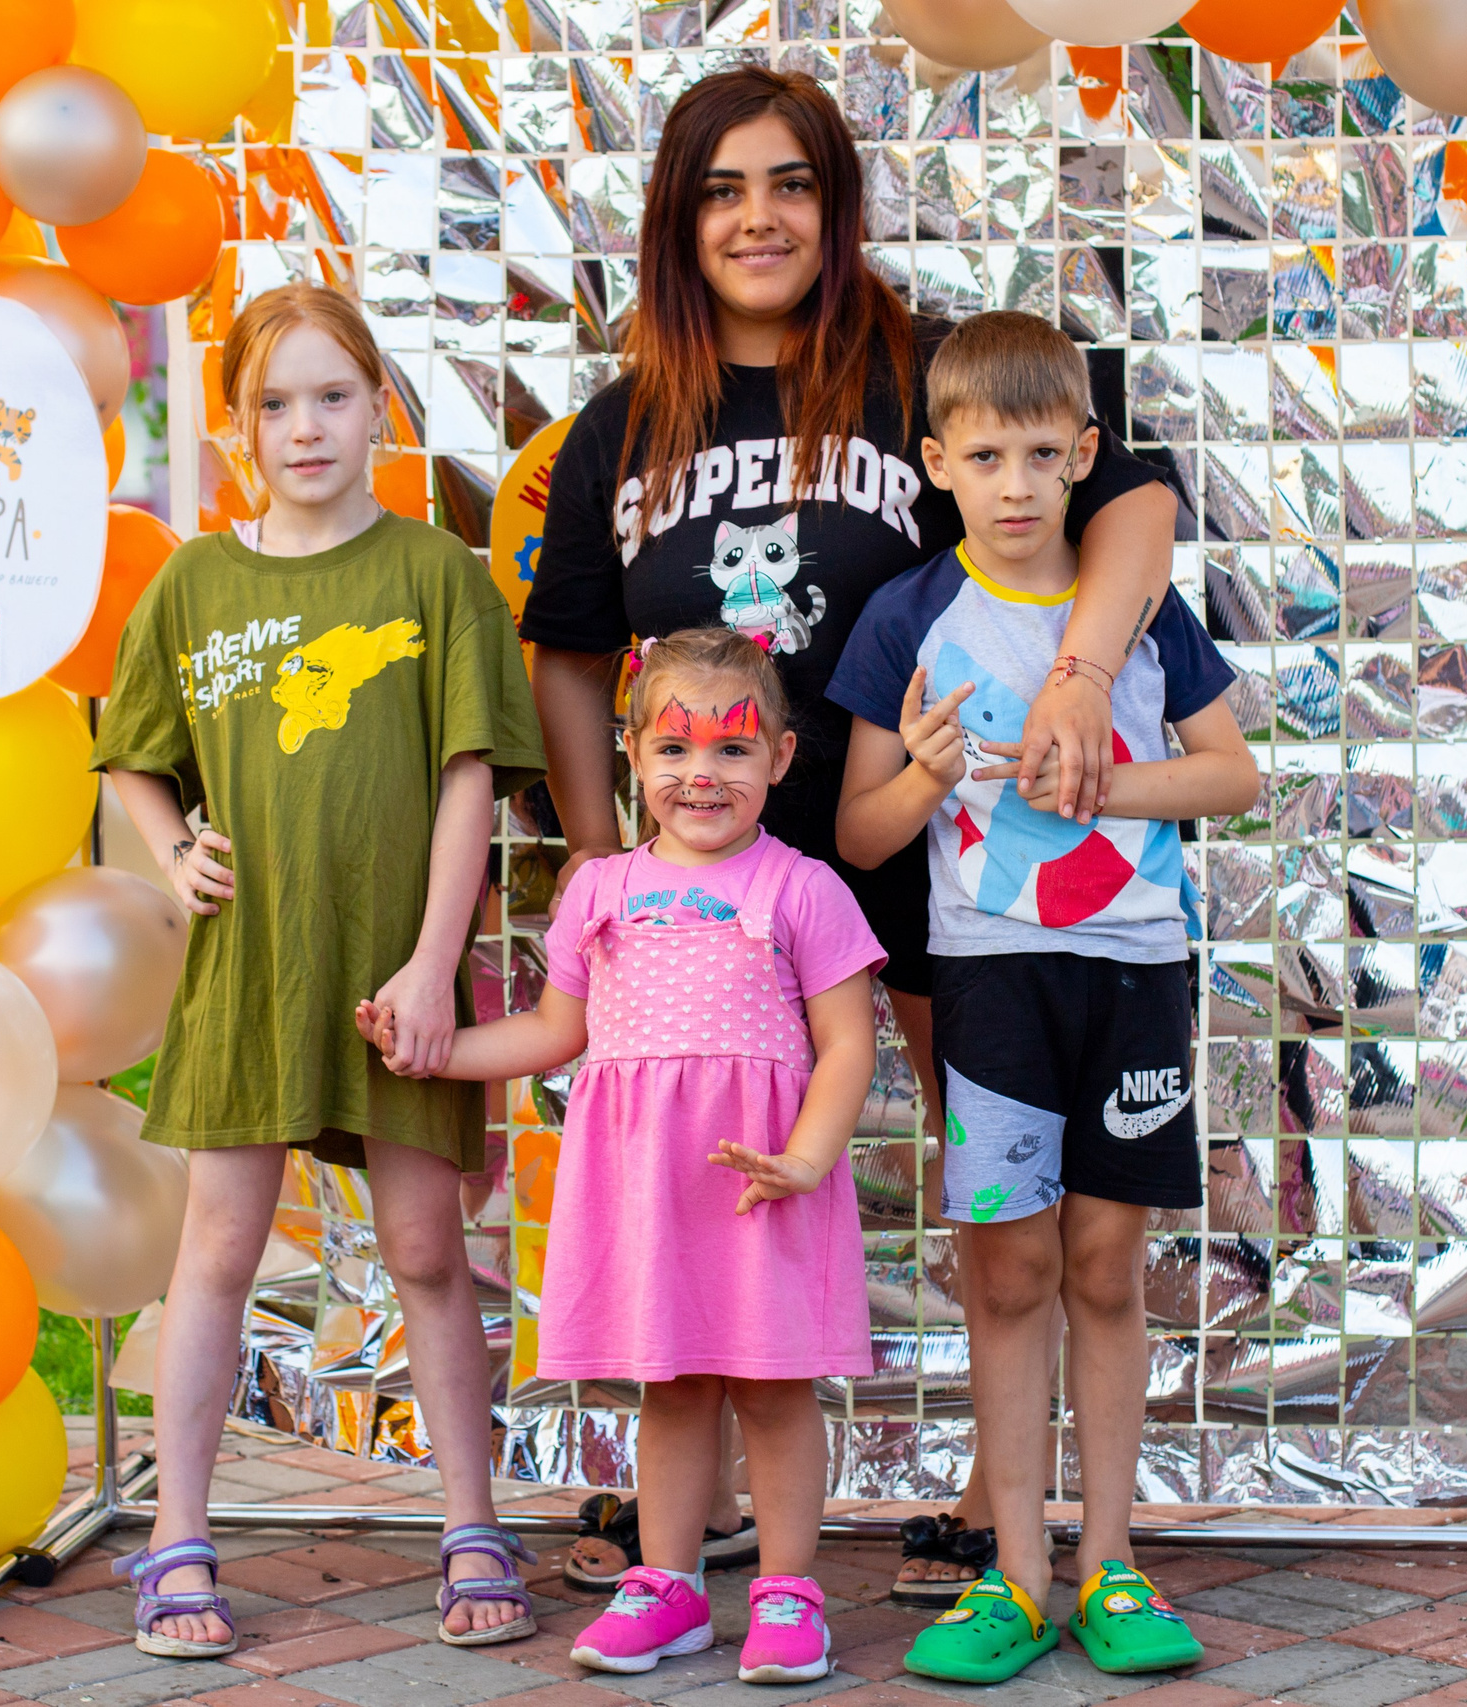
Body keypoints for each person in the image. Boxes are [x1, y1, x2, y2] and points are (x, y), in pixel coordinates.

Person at [520, 61, 1181, 1603]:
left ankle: (1000, 1499)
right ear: (677, 219)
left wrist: (1082, 674)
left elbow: (1138, 503)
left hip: (941, 854)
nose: (758, 218)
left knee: (1003, 1183)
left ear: (837, 201)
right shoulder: (623, 425)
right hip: (719, 876)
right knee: (705, 1161)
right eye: (722, 189)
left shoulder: (922, 371)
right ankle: (692, 1495)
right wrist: (597, 853)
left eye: (791, 183)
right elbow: (568, 645)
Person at [94, 282, 548, 1659]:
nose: (306, 427)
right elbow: (131, 758)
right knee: (217, 1251)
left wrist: (431, 964)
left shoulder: (433, 574)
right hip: (251, 970)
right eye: (275, 403)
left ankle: (471, 1521)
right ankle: (178, 1532)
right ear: (237, 426)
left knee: (425, 1248)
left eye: (333, 396)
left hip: (394, 970)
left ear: (377, 409)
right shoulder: (196, 582)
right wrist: (172, 850)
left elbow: (470, 777)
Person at [829, 312, 1261, 1684]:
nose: (1014, 486)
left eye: (1038, 455)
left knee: (1104, 1267)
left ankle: (1110, 1559)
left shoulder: (1135, 611)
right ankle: (1014, 1571)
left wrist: (1099, 782)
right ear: (936, 465)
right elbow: (859, 836)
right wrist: (927, 775)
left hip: (1133, 974)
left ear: (1084, 455)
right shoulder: (910, 614)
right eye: (984, 457)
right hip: (989, 985)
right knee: (1009, 1273)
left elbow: (1233, 773)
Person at [369, 627, 884, 1683]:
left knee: (773, 1390)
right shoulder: (598, 890)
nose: (703, 774)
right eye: (675, 748)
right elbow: (553, 1031)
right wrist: (437, 1051)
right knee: (673, 1386)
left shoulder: (805, 890)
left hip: (759, 1186)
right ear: (633, 754)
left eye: (733, 748)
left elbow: (847, 1045)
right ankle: (669, 1585)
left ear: (781, 757)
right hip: (648, 1188)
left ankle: (789, 1592)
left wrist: (803, 1158)